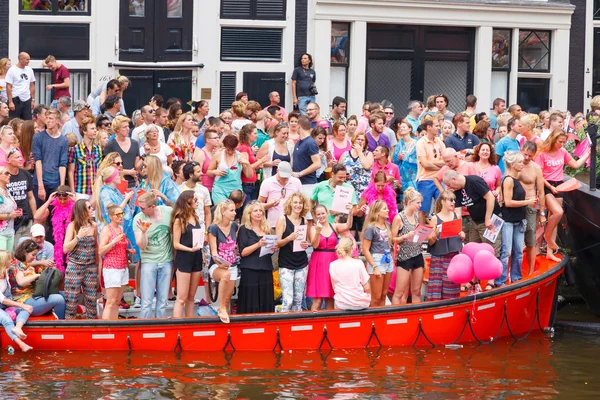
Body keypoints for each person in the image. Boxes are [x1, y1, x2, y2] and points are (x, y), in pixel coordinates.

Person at [535, 130, 590, 262]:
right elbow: (539, 175)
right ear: (553, 139)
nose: (562, 144)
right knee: (558, 212)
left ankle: (550, 251)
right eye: (560, 142)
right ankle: (547, 238)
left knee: (554, 219)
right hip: (547, 186)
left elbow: (576, 165)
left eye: (564, 142)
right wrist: (549, 187)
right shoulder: (542, 154)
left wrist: (588, 153)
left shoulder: (563, 152)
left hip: (560, 185)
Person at [493, 151, 536, 290]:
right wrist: (527, 201)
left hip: (518, 219)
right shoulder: (509, 180)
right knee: (506, 251)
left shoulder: (515, 178)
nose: (522, 164)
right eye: (519, 162)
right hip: (508, 220)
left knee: (518, 251)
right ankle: (501, 280)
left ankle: (516, 278)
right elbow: (508, 202)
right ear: (512, 164)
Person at [133, 192, 173, 319]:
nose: (140, 210)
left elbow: (179, 209)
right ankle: (144, 329)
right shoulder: (139, 218)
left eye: (143, 208)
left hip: (166, 260)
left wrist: (165, 197)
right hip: (149, 260)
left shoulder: (167, 212)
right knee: (146, 302)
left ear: (153, 206)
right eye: (139, 207)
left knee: (162, 302)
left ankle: (161, 328)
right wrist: (144, 232)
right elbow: (142, 246)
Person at [443, 170, 501, 256]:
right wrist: (457, 229)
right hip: (475, 221)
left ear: (454, 179)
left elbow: (490, 198)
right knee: (472, 248)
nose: (448, 188)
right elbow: (458, 212)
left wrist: (488, 218)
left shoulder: (474, 181)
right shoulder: (457, 191)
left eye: (449, 185)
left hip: (491, 219)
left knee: (491, 250)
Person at [9, 240, 65, 322]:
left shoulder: (28, 264)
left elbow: (42, 273)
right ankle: (61, 324)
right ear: (25, 253)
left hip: (34, 296)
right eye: (33, 255)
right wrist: (36, 276)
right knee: (58, 299)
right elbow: (21, 282)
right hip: (23, 302)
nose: (35, 257)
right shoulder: (16, 265)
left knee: (64, 294)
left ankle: (67, 318)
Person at [62, 199, 99, 319]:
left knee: (91, 300)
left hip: (91, 266)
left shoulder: (94, 226)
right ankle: (69, 329)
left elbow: (96, 247)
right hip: (75, 267)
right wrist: (78, 237)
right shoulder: (72, 226)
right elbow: (65, 248)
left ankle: (92, 330)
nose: (92, 209)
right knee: (71, 301)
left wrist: (99, 266)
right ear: (82, 210)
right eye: (89, 207)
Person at [237, 201, 275, 314]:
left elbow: (269, 252)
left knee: (265, 299)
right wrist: (258, 244)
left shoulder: (267, 229)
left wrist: (272, 248)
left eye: (261, 211)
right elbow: (243, 252)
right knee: (250, 300)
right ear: (249, 214)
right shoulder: (243, 229)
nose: (259, 213)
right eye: (255, 211)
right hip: (250, 269)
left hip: (265, 267)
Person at [275, 193, 311, 312]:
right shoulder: (282, 219)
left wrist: (306, 244)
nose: (298, 205)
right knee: (288, 300)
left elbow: (305, 242)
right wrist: (289, 238)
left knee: (298, 300)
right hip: (286, 263)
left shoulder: (305, 221)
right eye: (295, 202)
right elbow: (277, 243)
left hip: (301, 263)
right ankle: (282, 326)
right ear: (290, 203)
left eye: (300, 203)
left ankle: (297, 327)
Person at [426, 191, 464, 300]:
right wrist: (434, 235)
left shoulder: (456, 215)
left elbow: (459, 234)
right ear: (443, 202)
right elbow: (430, 242)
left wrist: (462, 235)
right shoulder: (434, 218)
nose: (453, 202)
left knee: (452, 285)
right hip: (439, 256)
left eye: (454, 200)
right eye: (450, 200)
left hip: (453, 256)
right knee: (436, 287)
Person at [171, 191, 203, 318]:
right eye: (194, 199)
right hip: (185, 256)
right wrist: (189, 249)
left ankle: (190, 322)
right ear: (187, 202)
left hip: (197, 255)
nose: (197, 202)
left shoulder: (195, 217)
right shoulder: (179, 220)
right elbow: (176, 244)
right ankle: (177, 325)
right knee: (182, 297)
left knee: (191, 297)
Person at [208, 200, 240, 323]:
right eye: (231, 210)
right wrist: (220, 264)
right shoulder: (213, 228)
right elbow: (214, 253)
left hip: (232, 264)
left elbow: (235, 245)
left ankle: (223, 317)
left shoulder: (234, 226)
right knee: (225, 275)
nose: (234, 213)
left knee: (228, 299)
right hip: (217, 265)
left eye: (235, 210)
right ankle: (220, 308)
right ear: (223, 211)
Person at [391, 188, 425, 304]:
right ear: (410, 202)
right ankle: (397, 317)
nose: (420, 205)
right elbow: (392, 239)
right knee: (400, 292)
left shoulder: (416, 216)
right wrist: (405, 236)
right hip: (404, 257)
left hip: (417, 254)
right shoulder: (399, 218)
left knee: (416, 291)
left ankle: (417, 317)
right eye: (418, 203)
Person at [98, 205, 130, 320]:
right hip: (112, 267)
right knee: (110, 301)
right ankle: (106, 328)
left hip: (122, 267)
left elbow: (118, 247)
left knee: (117, 301)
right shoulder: (107, 229)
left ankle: (115, 326)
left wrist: (128, 250)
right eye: (118, 214)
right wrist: (114, 242)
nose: (121, 216)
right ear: (111, 216)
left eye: (122, 214)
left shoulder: (120, 228)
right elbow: (101, 250)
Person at [33, 185, 74, 272]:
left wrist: (76, 200)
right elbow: (36, 217)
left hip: (70, 242)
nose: (62, 201)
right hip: (55, 243)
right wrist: (48, 201)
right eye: (60, 199)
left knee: (69, 270)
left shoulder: (75, 208)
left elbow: (86, 213)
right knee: (57, 271)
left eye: (65, 199)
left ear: (70, 198)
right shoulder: (52, 207)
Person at [32, 109, 69, 207]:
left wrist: (61, 186)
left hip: (55, 181)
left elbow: (63, 163)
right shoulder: (38, 137)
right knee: (40, 213)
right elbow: (38, 161)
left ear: (57, 121)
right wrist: (40, 186)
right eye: (47, 118)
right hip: (41, 180)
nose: (48, 121)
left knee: (54, 212)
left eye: (51, 118)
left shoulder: (64, 140)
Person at [520, 141, 547, 274]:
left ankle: (531, 271)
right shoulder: (514, 163)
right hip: (514, 206)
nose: (526, 158)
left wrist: (542, 213)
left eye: (529, 156)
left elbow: (541, 192)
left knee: (530, 239)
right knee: (512, 240)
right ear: (521, 150)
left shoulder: (536, 168)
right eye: (525, 154)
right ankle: (510, 272)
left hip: (530, 206)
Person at [0, 249, 34, 352]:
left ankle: (18, 327)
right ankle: (21, 344)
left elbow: (19, 263)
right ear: (3, 262)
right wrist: (21, 305)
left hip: (5, 304)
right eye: (9, 260)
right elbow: (3, 300)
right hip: (3, 302)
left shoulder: (5, 271)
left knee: (27, 309)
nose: (12, 261)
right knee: (6, 320)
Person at [306, 204, 338, 311]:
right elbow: (314, 245)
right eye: (318, 214)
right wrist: (318, 231)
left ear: (327, 213)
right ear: (315, 215)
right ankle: (313, 325)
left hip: (332, 262)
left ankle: (330, 326)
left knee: (330, 298)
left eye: (323, 213)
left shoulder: (334, 226)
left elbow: (348, 225)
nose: (321, 216)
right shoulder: (313, 228)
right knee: (317, 300)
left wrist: (350, 212)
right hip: (318, 263)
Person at [361, 200, 393, 307]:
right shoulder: (371, 228)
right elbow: (365, 249)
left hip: (388, 258)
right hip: (376, 259)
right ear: (377, 212)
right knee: (376, 297)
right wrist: (374, 266)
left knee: (384, 294)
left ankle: (382, 320)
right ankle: (372, 321)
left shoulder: (388, 225)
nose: (388, 210)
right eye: (385, 208)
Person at [415, 119, 446, 224]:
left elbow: (446, 161)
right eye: (436, 125)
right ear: (429, 127)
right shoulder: (421, 143)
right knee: (423, 209)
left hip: (439, 179)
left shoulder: (439, 141)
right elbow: (425, 164)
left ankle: (439, 234)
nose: (439, 128)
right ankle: (421, 237)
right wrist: (441, 166)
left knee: (441, 208)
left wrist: (432, 163)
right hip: (425, 180)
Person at [207, 134, 252, 205]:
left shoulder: (241, 156)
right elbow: (208, 172)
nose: (230, 152)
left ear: (236, 147)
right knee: (220, 210)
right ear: (224, 146)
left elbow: (249, 176)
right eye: (228, 149)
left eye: (233, 149)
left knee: (231, 212)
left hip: (235, 190)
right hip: (220, 188)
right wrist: (215, 172)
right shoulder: (218, 155)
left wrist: (247, 164)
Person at [329, 237, 371, 310]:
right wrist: (369, 296)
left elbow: (334, 288)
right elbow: (367, 287)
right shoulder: (358, 263)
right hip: (360, 303)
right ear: (352, 249)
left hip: (341, 303)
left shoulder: (332, 265)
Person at [258, 161, 302, 230]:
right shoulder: (267, 182)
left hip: (293, 224)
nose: (284, 178)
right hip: (273, 224)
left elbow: (302, 202)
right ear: (277, 171)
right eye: (282, 176)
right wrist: (270, 204)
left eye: (287, 177)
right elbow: (258, 205)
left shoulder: (296, 182)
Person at [68, 116, 102, 200]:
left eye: (95, 128)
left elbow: (100, 171)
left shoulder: (98, 149)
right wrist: (73, 192)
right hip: (80, 191)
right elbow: (70, 172)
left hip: (95, 191)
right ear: (84, 131)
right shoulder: (75, 149)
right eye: (92, 128)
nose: (95, 130)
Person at [7, 149, 37, 246]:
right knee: (13, 252)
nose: (21, 159)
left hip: (27, 219)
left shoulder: (26, 174)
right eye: (17, 157)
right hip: (11, 221)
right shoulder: (4, 176)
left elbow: (31, 197)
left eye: (21, 157)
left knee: (26, 250)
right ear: (8, 160)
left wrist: (34, 216)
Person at [104, 115, 139, 188]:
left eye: (128, 126)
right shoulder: (110, 145)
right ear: (117, 129)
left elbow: (137, 166)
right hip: (116, 183)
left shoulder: (135, 143)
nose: (127, 129)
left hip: (133, 183)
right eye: (124, 127)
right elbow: (107, 168)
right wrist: (128, 172)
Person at [238, 124, 268, 206]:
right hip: (247, 184)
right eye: (255, 133)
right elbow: (246, 167)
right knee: (248, 209)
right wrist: (261, 161)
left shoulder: (248, 147)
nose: (257, 135)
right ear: (248, 134)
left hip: (253, 183)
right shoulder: (244, 148)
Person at [291, 116, 321, 186]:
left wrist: (300, 174)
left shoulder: (310, 142)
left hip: (308, 183)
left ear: (299, 126)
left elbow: (317, 164)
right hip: (297, 183)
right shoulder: (298, 142)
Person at [5, 52, 35, 120]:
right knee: (15, 121)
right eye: (27, 59)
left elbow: (32, 85)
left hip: (27, 99)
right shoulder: (12, 70)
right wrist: (10, 102)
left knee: (28, 121)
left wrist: (32, 100)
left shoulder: (29, 70)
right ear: (21, 59)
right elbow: (8, 86)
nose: (28, 61)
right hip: (16, 99)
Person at [0, 165, 21, 251]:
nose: (9, 175)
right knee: (2, 261)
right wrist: (10, 215)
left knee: (8, 260)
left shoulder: (7, 191)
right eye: (6, 173)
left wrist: (16, 213)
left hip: (10, 231)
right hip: (1, 233)